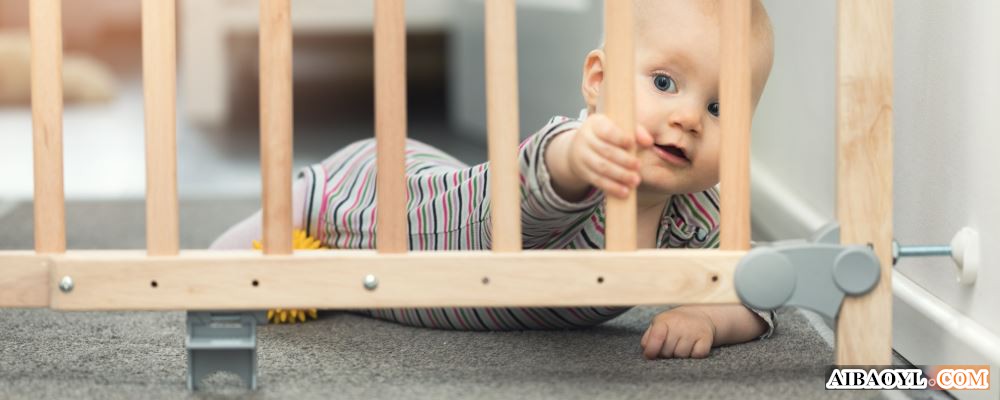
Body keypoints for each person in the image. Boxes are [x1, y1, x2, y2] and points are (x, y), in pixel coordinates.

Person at [211, 0, 775, 360]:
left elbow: (757, 291)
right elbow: (535, 188)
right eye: (663, 82)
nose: (689, 118)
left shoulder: (698, 214)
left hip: (402, 285)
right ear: (598, 81)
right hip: (374, 190)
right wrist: (580, 155)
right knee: (234, 269)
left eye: (721, 106)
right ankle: (211, 264)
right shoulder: (576, 156)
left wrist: (708, 317)